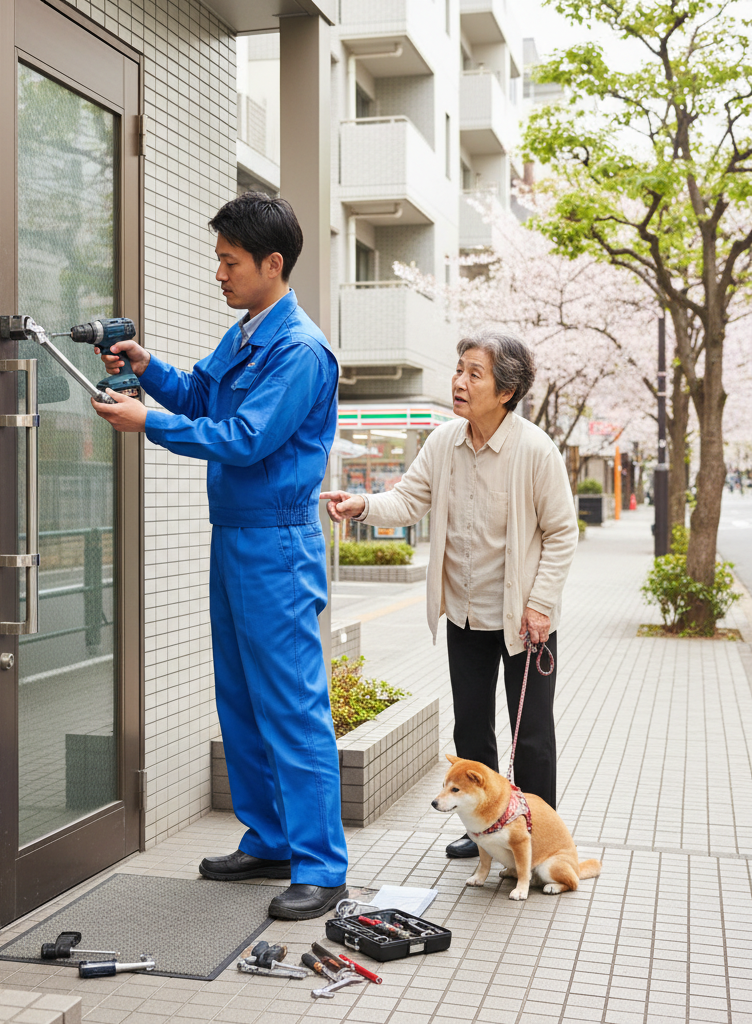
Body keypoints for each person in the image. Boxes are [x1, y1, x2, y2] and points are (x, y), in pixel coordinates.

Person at [90, 192, 348, 919]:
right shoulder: (248, 334)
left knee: (292, 705)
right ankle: (270, 840)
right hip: (234, 535)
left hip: (276, 543)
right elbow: (202, 393)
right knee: (240, 698)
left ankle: (322, 865)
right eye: (219, 260)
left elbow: (245, 437)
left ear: (273, 264)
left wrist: (148, 422)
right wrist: (148, 367)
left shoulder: (299, 350)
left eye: (230, 262)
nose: (220, 274)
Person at [321, 332, 578, 860]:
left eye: (474, 374)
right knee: (472, 732)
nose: (459, 382)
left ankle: (537, 838)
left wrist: (540, 605)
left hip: (524, 621)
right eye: (459, 369)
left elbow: (562, 532)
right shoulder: (443, 443)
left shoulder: (535, 449)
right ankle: (483, 832)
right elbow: (407, 500)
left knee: (531, 735)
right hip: (464, 615)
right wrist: (361, 505)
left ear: (505, 391)